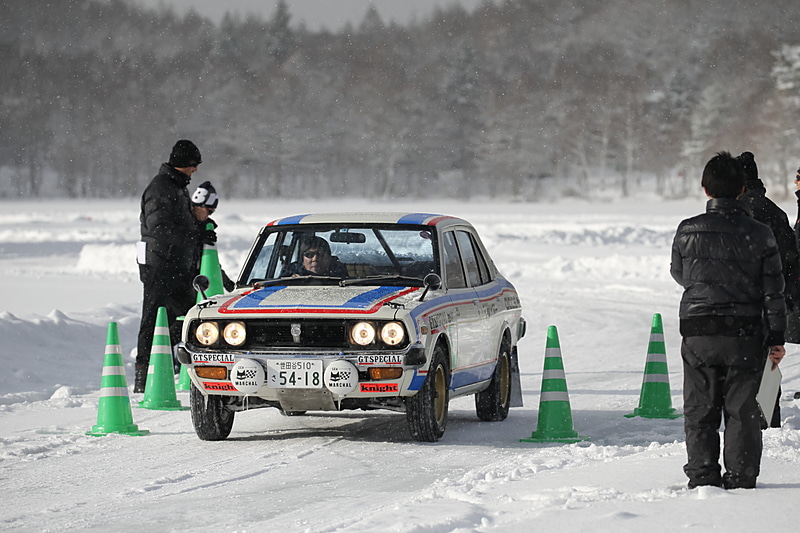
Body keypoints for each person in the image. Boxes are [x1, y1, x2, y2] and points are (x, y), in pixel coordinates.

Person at [671, 151, 786, 490]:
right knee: (742, 410)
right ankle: (741, 476)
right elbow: (774, 290)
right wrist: (776, 337)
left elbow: (679, 273)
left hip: (698, 332)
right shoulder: (761, 233)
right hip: (745, 332)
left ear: (705, 189)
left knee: (700, 408)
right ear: (742, 190)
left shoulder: (688, 230)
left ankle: (703, 474)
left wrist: (707, 287)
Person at [135, 139, 212, 393]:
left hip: (176, 266)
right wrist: (195, 233)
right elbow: (161, 230)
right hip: (160, 266)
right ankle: (143, 376)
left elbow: (179, 225)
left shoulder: (177, 187)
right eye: (194, 164)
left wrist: (199, 226)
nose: (196, 170)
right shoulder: (161, 189)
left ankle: (175, 365)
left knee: (189, 315)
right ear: (183, 163)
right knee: (153, 319)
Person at [736, 151, 799, 428]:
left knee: (739, 370)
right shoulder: (775, 211)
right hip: (772, 302)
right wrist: (786, 299)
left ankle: (742, 426)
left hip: (737, 303)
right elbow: (791, 260)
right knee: (769, 366)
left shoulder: (733, 212)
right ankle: (770, 421)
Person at [190, 180, 235, 293]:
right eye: (209, 211)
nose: (209, 215)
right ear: (198, 206)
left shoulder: (205, 227)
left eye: (212, 212)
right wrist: (198, 237)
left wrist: (229, 285)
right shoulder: (182, 224)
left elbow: (210, 261)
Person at [281, 235, 348, 277]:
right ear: (302, 260)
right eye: (309, 255)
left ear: (328, 258)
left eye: (320, 255)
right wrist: (292, 281)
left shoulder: (339, 274)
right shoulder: (291, 271)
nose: (315, 259)